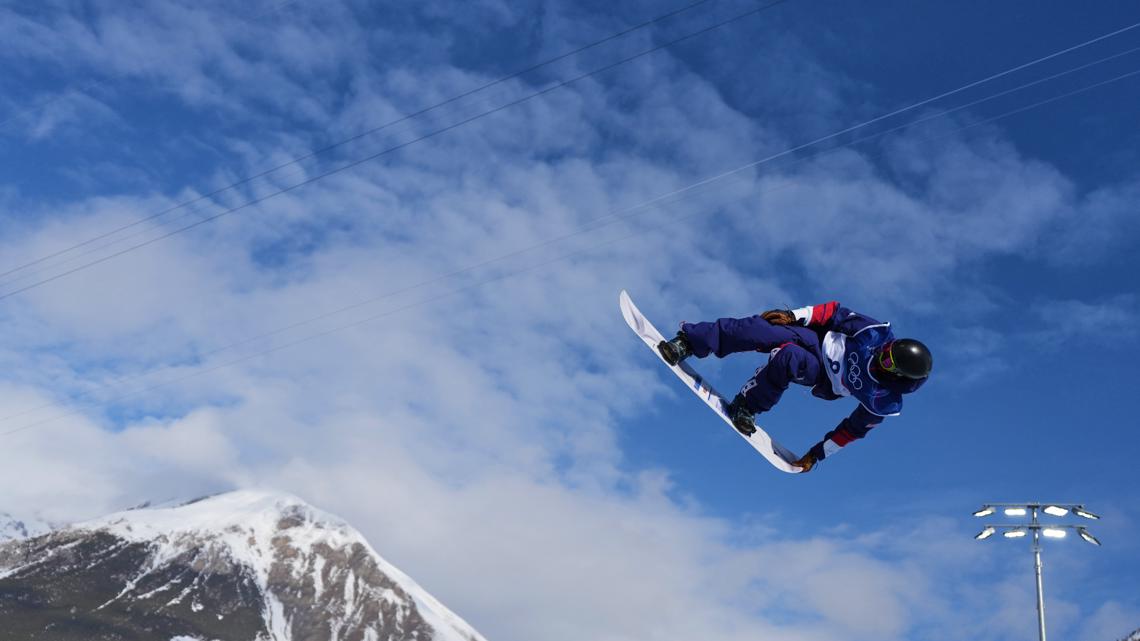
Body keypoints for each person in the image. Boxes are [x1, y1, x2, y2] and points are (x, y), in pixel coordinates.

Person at [656, 301, 931, 473]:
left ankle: (747, 407)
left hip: (824, 376)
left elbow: (853, 430)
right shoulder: (875, 334)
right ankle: (689, 342)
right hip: (816, 339)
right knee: (758, 330)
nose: (882, 354)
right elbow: (835, 313)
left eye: (887, 359)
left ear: (896, 373)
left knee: (788, 357)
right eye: (888, 350)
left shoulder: (883, 399)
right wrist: (793, 316)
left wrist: (817, 454)